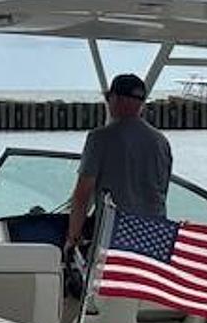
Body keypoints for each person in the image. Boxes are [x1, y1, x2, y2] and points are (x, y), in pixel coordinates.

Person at [64, 73, 172, 250]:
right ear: (141, 104)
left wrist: (73, 237)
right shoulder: (161, 142)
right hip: (155, 238)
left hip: (116, 239)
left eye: (108, 97)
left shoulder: (99, 138)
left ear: (115, 98)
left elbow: (83, 193)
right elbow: (161, 192)